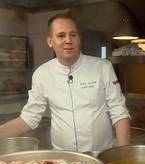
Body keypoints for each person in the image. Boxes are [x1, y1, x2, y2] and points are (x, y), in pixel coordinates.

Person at [0, 13, 131, 152]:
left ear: (79, 39)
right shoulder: (42, 74)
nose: (68, 40)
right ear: (50, 41)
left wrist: (123, 155)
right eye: (61, 35)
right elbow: (29, 118)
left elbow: (119, 113)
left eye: (73, 35)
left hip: (100, 155)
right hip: (63, 159)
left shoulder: (102, 67)